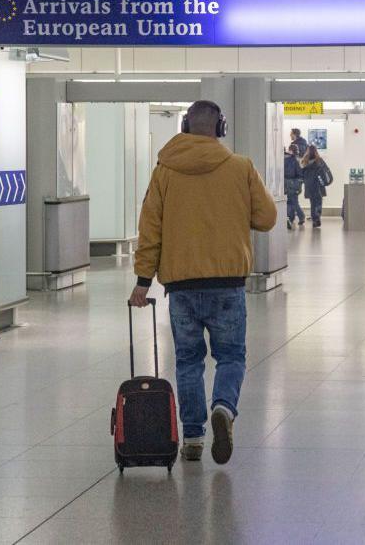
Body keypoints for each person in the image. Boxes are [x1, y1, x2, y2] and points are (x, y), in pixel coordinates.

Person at [129, 100, 277, 464]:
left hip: (181, 287)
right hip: (227, 284)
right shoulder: (240, 167)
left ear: (184, 126)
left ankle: (193, 438)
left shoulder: (165, 171)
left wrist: (142, 280)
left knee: (188, 361)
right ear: (220, 128)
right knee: (231, 356)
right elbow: (268, 217)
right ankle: (224, 408)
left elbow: (150, 227)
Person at [301, 144, 328, 228]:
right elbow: (325, 171)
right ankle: (317, 218)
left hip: (309, 185)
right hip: (318, 185)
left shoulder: (305, 161)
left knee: (312, 203)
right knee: (319, 202)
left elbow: (302, 174)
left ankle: (314, 220)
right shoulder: (319, 160)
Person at [284, 144, 305, 230]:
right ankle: (292, 218)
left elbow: (286, 172)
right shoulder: (297, 160)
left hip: (289, 183)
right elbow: (300, 173)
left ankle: (300, 217)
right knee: (293, 202)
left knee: (292, 202)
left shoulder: (287, 160)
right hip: (295, 184)